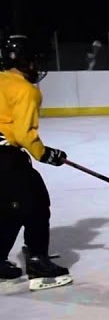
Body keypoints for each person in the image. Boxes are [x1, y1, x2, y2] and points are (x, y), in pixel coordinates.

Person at [0, 34, 71, 290]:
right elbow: (23, 134)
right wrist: (45, 154)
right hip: (6, 158)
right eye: (34, 60)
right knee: (36, 203)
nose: (37, 66)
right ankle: (39, 263)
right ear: (24, 61)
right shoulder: (25, 90)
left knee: (10, 208)